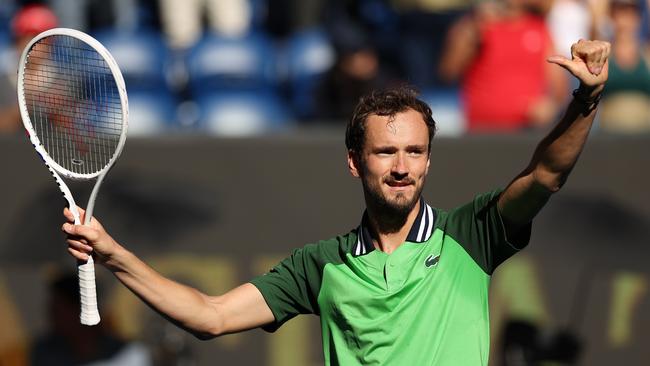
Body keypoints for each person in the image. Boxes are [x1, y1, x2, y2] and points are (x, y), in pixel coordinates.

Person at [62, 39, 611, 365]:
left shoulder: (471, 235)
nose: (401, 166)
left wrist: (586, 100)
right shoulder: (320, 265)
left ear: (428, 161)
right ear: (355, 162)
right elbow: (210, 315)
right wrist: (112, 254)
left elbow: (547, 172)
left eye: (415, 152)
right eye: (386, 152)